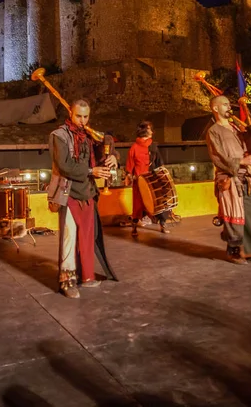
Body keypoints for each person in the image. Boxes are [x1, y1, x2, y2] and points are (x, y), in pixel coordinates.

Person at [48, 99, 118, 299]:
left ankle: (87, 276)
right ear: (71, 113)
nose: (82, 120)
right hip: (68, 191)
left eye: (86, 116)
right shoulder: (58, 135)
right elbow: (64, 165)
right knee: (69, 238)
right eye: (78, 116)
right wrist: (91, 170)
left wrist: (113, 157)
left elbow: (106, 145)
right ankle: (67, 281)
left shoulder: (89, 135)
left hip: (88, 192)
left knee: (87, 237)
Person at [206, 95, 251, 265]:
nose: (228, 107)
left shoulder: (236, 127)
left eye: (228, 104)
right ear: (215, 108)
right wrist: (241, 161)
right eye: (224, 104)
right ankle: (233, 251)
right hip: (229, 178)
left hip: (246, 178)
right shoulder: (213, 132)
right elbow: (217, 157)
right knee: (235, 216)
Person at [125, 120, 171, 237]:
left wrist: (163, 175)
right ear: (144, 130)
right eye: (150, 129)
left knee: (159, 202)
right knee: (138, 205)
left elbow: (159, 162)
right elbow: (130, 165)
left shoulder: (153, 146)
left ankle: (163, 224)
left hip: (153, 180)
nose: (152, 131)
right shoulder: (134, 148)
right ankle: (134, 227)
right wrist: (129, 175)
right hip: (139, 181)